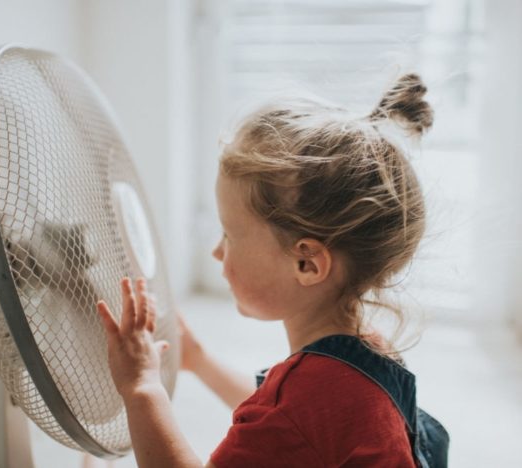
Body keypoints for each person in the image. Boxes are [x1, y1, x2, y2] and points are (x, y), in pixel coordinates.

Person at [97, 73, 449, 468]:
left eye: (229, 235)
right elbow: (285, 426)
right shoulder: (364, 353)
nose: (216, 252)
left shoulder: (300, 404)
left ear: (307, 263)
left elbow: (285, 419)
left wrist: (142, 388)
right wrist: (200, 361)